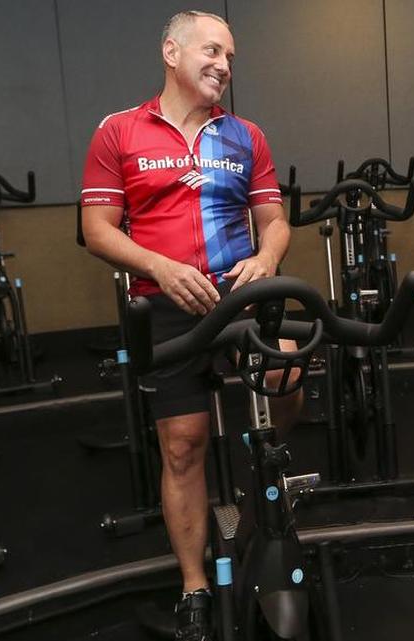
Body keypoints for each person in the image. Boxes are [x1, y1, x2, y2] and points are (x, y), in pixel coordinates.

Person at [80, 10, 300, 641]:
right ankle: (195, 586)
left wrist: (266, 257)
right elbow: (97, 230)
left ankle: (262, 479)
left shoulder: (246, 136)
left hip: (240, 294)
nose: (224, 66)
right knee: (183, 444)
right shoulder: (119, 132)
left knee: (289, 374)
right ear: (170, 51)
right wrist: (162, 267)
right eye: (212, 51)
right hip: (168, 301)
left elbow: (276, 220)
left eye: (231, 57)